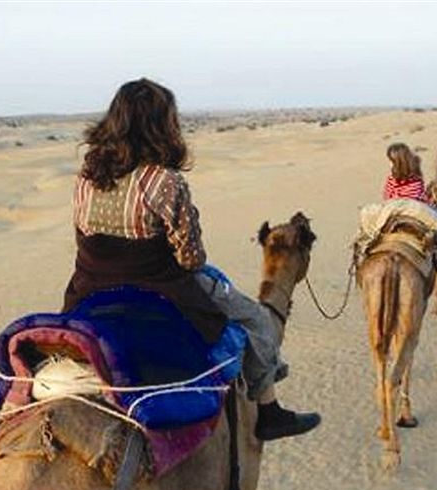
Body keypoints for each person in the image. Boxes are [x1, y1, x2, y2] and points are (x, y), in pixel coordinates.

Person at [63, 78, 320, 441]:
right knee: (258, 322)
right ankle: (268, 411)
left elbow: (83, 239)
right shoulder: (165, 182)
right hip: (161, 287)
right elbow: (189, 257)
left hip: (89, 291)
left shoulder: (86, 178)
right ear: (161, 125)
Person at [382, 142, 437, 268]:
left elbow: (386, 196)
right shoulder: (416, 179)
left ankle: (366, 247)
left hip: (392, 207)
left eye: (391, 161)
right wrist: (429, 203)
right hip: (414, 209)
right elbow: (419, 198)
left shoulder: (391, 179)